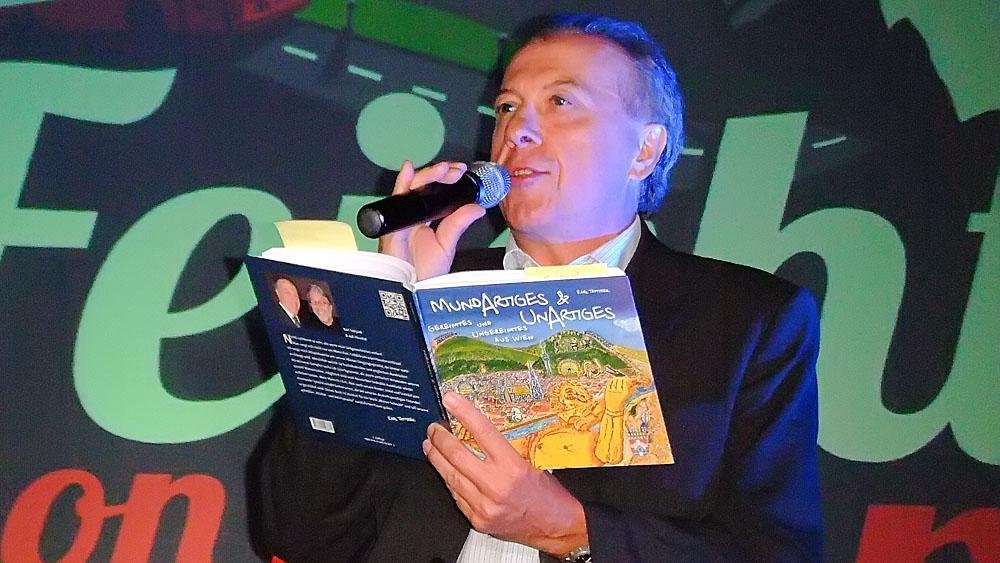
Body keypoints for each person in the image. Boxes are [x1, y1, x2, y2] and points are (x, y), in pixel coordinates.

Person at [258, 13, 822, 562]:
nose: (518, 131)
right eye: (507, 107)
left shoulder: (745, 321)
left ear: (645, 150)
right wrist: (387, 311)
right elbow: (298, 532)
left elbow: (777, 551)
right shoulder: (429, 290)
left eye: (560, 102)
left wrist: (572, 531)